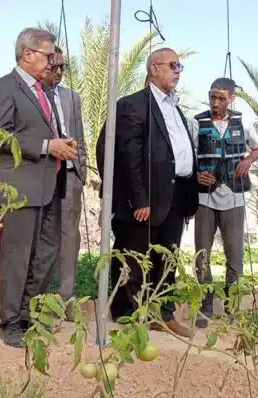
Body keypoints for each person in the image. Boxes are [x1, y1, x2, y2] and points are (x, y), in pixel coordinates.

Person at [96, 47, 198, 338]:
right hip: (146, 199)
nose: (178, 70)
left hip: (176, 195)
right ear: (154, 68)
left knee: (167, 258)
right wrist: (139, 198)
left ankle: (162, 313)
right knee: (134, 256)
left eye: (180, 66)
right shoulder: (133, 105)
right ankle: (128, 314)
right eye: (173, 65)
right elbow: (130, 155)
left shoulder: (175, 107)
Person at [0, 27, 78, 347]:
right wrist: (46, 145)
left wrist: (60, 145)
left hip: (49, 184)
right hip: (19, 185)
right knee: (18, 256)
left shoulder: (45, 92)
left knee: (44, 256)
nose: (53, 62)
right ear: (28, 54)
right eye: (48, 55)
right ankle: (10, 321)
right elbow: (1, 135)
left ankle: (28, 315)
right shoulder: (3, 87)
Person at [190, 77, 258, 327]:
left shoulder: (243, 122)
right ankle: (206, 304)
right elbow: (186, 155)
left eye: (221, 98)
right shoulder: (197, 122)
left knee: (235, 256)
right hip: (204, 198)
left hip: (234, 197)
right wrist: (196, 173)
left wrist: (248, 160)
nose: (216, 102)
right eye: (213, 97)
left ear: (232, 98)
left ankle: (232, 305)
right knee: (202, 255)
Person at [41, 46, 87, 321]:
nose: (58, 72)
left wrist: (81, 171)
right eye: (54, 66)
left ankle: (66, 298)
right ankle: (40, 298)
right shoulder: (33, 95)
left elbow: (79, 134)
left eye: (63, 68)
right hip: (43, 173)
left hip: (70, 175)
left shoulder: (72, 98)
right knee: (44, 237)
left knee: (70, 238)